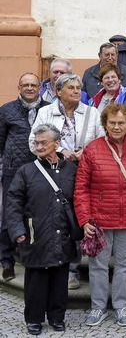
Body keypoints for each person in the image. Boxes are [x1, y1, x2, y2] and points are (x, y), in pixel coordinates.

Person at [74, 103, 126, 327]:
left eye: (121, 123)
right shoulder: (92, 149)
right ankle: (98, 307)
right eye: (112, 123)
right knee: (98, 265)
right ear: (105, 124)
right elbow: (81, 188)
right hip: (99, 220)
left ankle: (121, 306)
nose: (117, 127)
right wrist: (85, 219)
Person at [29, 73, 104, 290]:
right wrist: (61, 150)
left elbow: (101, 139)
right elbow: (33, 143)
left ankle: (79, 266)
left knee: (80, 217)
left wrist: (85, 153)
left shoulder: (92, 112)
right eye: (70, 88)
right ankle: (64, 268)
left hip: (84, 172)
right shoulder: (45, 112)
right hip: (54, 172)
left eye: (78, 88)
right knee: (60, 218)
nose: (76, 91)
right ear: (59, 91)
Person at [5, 124, 78, 335]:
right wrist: (17, 230)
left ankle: (57, 317)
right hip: (35, 234)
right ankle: (34, 318)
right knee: (36, 279)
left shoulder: (71, 170)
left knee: (59, 278)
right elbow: (14, 202)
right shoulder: (26, 171)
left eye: (43, 142)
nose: (38, 146)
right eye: (36, 143)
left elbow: (78, 200)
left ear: (57, 144)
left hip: (62, 234)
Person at [0, 73, 48, 283]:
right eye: (25, 85)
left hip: (41, 169)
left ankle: (35, 257)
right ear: (19, 87)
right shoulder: (6, 110)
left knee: (39, 214)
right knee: (9, 214)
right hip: (14, 169)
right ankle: (6, 260)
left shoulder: (48, 109)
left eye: (33, 85)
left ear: (40, 87)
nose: (30, 88)